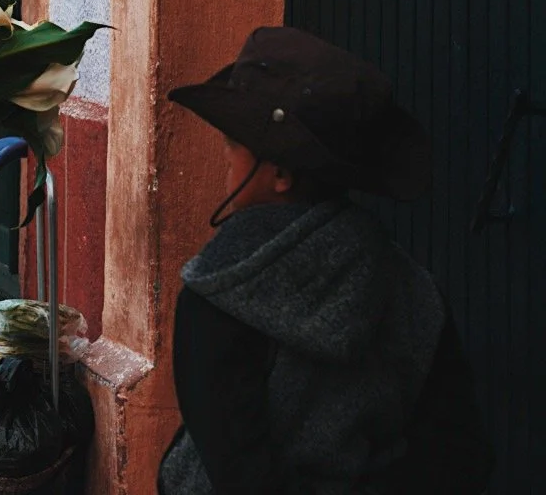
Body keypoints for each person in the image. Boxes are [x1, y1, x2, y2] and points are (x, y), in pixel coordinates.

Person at [158, 27, 490, 495]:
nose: (226, 164)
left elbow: (237, 472)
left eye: (234, 149)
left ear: (279, 174)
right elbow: (460, 456)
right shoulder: (413, 290)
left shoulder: (220, 290)